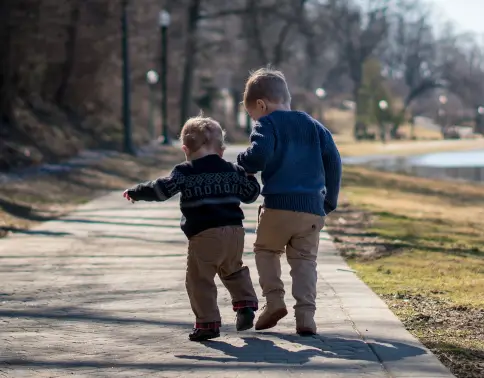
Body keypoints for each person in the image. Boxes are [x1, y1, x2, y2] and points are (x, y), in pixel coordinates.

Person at [123, 116, 261, 342]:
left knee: (199, 279)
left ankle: (208, 323)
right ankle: (245, 305)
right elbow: (250, 195)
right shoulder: (232, 170)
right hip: (235, 233)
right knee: (233, 270)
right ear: (221, 150)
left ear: (185, 149)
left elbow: (161, 190)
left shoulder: (185, 171)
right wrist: (250, 177)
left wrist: (137, 192)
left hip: (205, 235)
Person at [237, 67, 342, 336]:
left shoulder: (267, 124)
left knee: (266, 251)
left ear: (261, 105)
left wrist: (243, 161)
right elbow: (334, 161)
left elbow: (258, 156)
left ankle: (274, 301)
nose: (254, 119)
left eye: (252, 115)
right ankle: (306, 317)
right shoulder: (315, 126)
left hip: (278, 207)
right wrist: (329, 201)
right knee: (305, 261)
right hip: (311, 209)